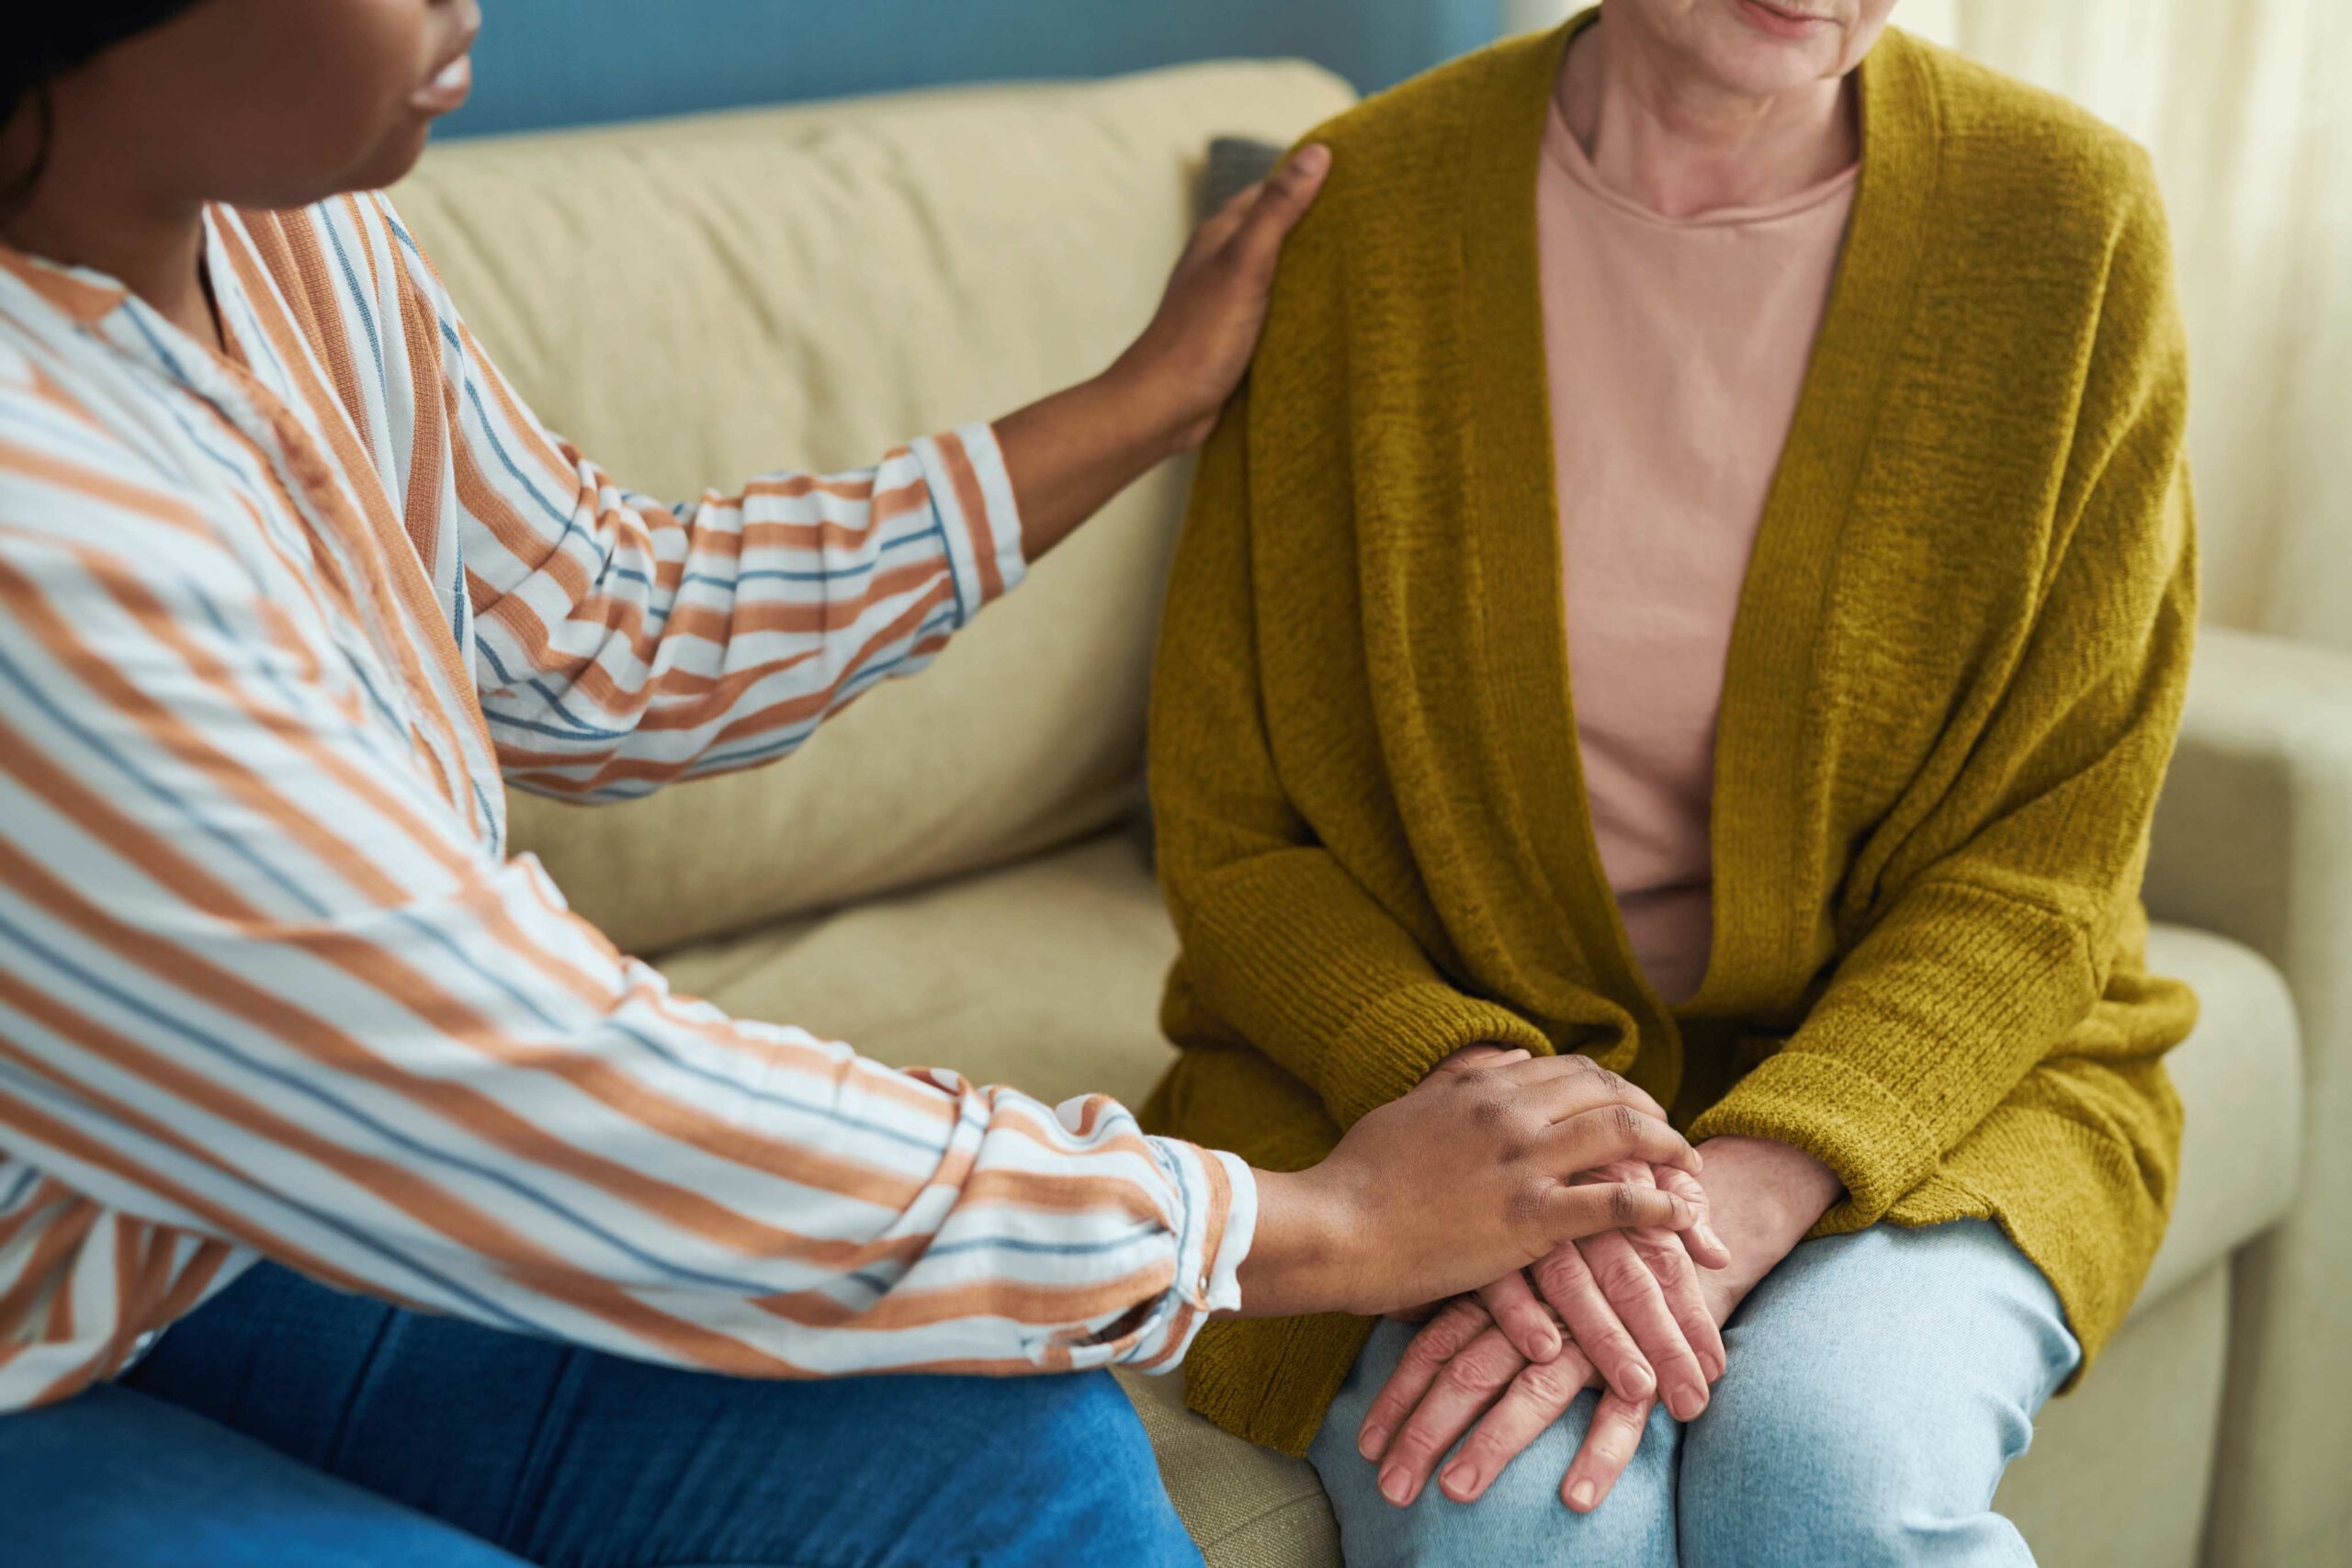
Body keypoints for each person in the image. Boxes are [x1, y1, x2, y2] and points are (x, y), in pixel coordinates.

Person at [0, 3, 1724, 1564]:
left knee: (1009, 1455)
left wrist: (1142, 406)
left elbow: (609, 632)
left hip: (205, 1236)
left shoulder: (280, 225)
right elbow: (563, 1108)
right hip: (69, 1330)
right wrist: (1312, 1228)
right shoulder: (43, 533)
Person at [1143, 1, 2201, 1562]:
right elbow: (1240, 838)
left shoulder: (2068, 221)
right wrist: (1496, 1128)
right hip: (1439, 1078)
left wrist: (1733, 1199)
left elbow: (2049, 865)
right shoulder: (1360, 214)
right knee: (1515, 1513)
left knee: (1824, 1465)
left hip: (1932, 1074)